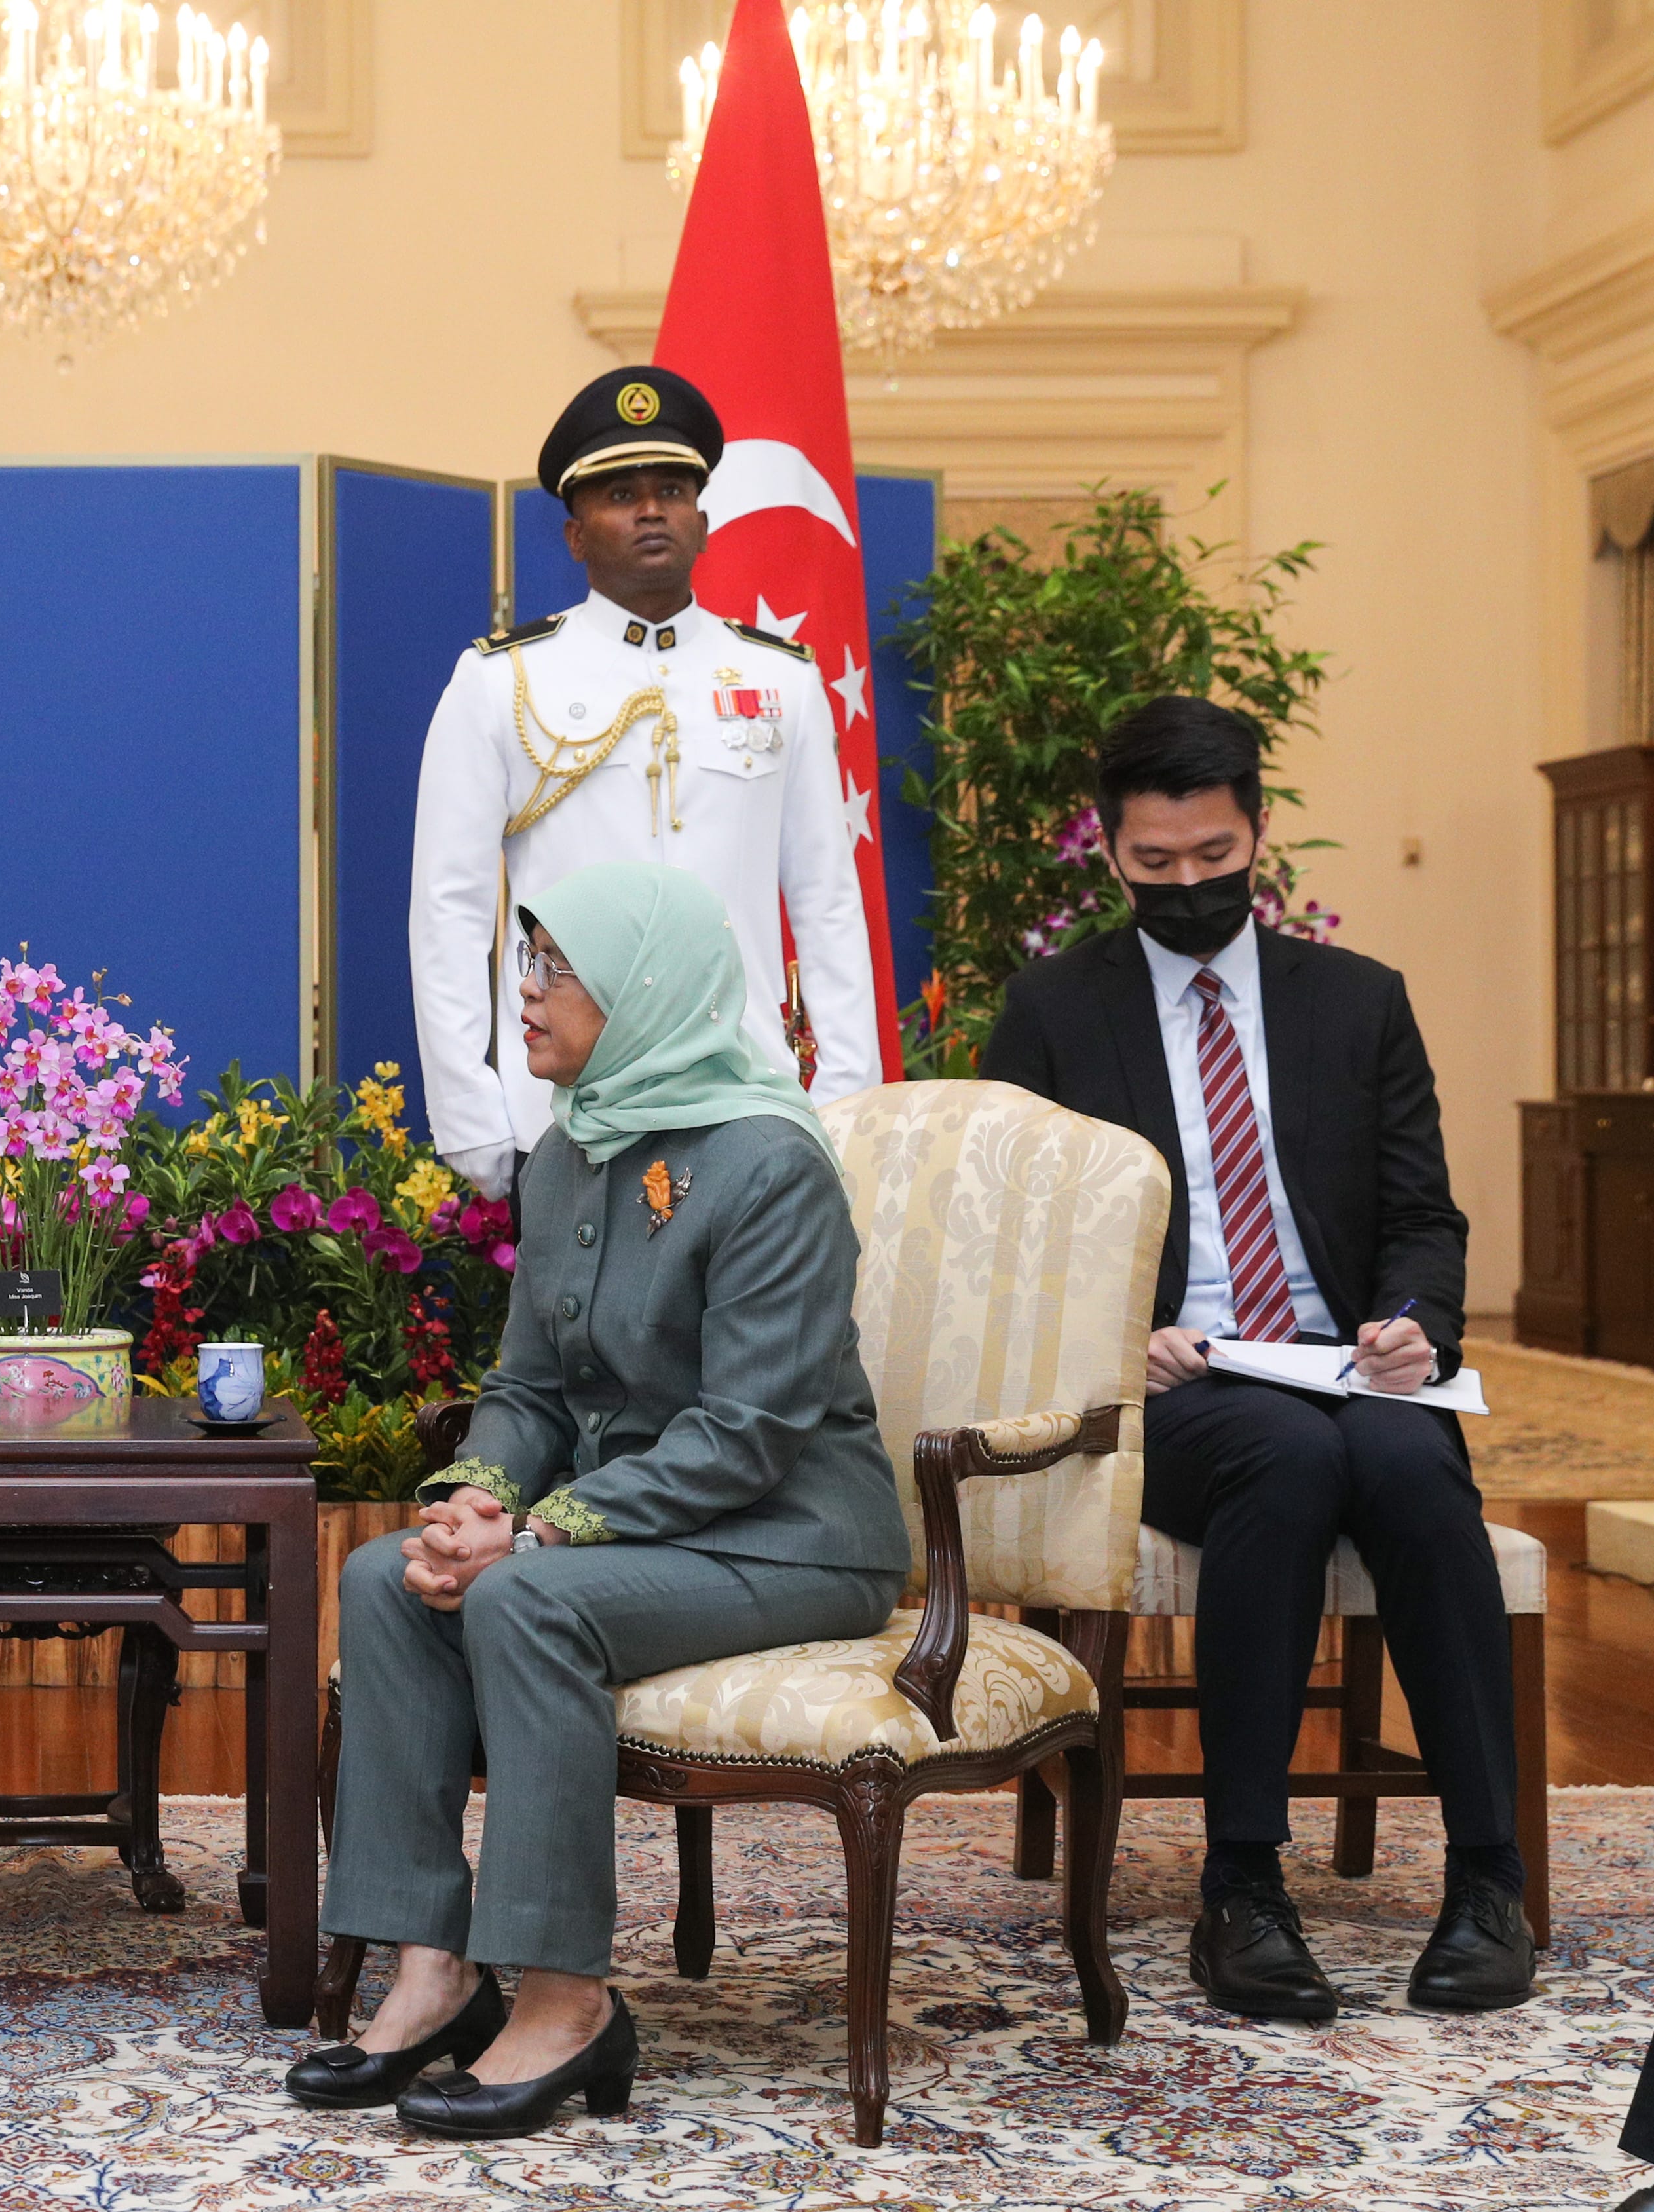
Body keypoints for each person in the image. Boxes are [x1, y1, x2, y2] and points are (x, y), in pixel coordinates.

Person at [299, 860, 910, 2141]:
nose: (525, 994)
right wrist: (478, 1491)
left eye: (552, 968)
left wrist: (533, 1533)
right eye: (524, 963)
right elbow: (526, 1388)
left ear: (642, 987)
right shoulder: (573, 1150)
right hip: (637, 1534)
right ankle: (435, 1967)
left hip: (791, 1539)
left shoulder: (769, 1166)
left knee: (524, 1602)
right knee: (381, 1580)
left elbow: (748, 1431)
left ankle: (567, 1996)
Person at [981, 696, 1532, 2018]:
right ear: (1108, 853)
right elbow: (1015, 1236)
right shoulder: (1055, 1009)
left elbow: (1422, 1214)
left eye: (1212, 859)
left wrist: (1412, 1320)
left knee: (1405, 1462)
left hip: (1347, 1363)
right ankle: (1244, 1882)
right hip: (1172, 1387)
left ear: (1258, 835)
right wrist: (1122, 1328)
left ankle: (1487, 1876)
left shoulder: (1358, 1002)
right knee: (1282, 1456)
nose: (1185, 886)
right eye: (1152, 865)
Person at [409, 367, 879, 1205]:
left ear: (704, 520)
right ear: (574, 535)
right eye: (620, 493)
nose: (651, 508)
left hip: (750, 1096)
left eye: (672, 488)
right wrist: (474, 1118)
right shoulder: (501, 682)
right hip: (563, 1105)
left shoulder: (780, 681)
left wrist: (844, 1100)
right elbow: (447, 909)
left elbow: (827, 901)